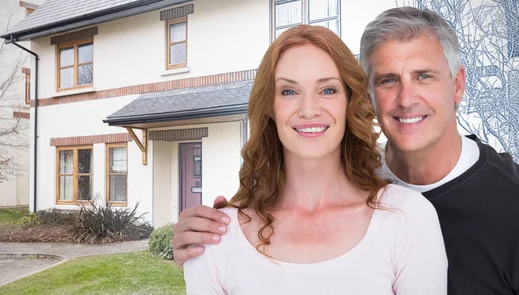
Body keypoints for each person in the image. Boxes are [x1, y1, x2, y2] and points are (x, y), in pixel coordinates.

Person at [175, 7, 519, 295]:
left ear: (457, 85)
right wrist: (196, 245)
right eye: (388, 80)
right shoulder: (364, 177)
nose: (406, 98)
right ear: (367, 96)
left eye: (423, 76)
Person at [183, 24, 448, 294]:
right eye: (289, 91)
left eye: (328, 90)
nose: (308, 110)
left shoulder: (407, 218)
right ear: (270, 107)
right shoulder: (215, 236)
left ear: (350, 101)